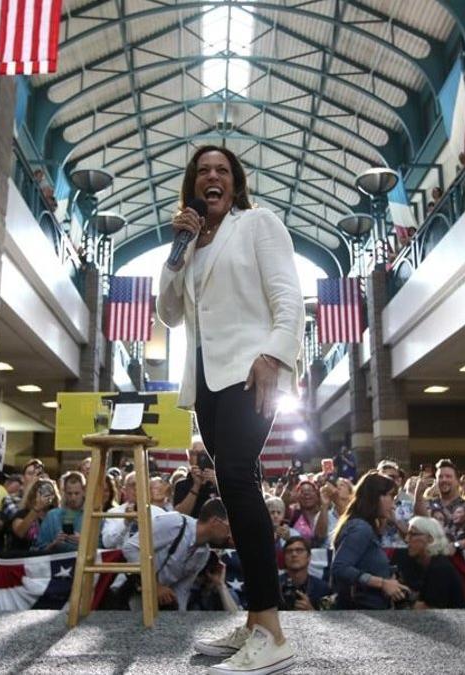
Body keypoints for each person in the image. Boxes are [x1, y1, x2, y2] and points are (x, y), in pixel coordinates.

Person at [158, 145, 303, 673]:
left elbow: (290, 296)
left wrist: (273, 355)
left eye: (221, 170)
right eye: (203, 172)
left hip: (252, 371)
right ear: (193, 187)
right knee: (235, 485)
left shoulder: (258, 224)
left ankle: (271, 629)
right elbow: (169, 313)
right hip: (207, 382)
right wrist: (180, 247)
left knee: (239, 479)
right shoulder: (191, 243)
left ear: (235, 184)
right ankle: (253, 628)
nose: (212, 177)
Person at [122, 499, 232, 614]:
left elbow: (182, 590)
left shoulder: (203, 554)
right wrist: (154, 585)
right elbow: (131, 548)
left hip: (158, 606)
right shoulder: (174, 523)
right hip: (133, 596)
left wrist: (179, 620)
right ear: (215, 521)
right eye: (230, 528)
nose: (230, 535)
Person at [330, 473, 410, 610]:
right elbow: (340, 567)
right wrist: (382, 583)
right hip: (360, 614)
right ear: (376, 496)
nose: (393, 505)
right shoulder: (361, 528)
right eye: (391, 496)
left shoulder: (364, 526)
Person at [396, 516, 465, 609]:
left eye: (412, 534)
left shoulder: (439, 568)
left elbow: (429, 611)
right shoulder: (433, 563)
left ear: (430, 539)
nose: (406, 539)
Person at [102, 472, 165, 549]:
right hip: (121, 559)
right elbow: (107, 543)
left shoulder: (160, 514)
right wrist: (125, 522)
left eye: (142, 484)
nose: (137, 488)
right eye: (133, 485)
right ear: (124, 490)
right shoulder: (114, 513)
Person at [35, 471, 85, 554]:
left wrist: (83, 542)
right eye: (70, 493)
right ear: (64, 492)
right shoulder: (52, 516)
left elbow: (104, 548)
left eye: (77, 493)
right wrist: (54, 544)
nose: (73, 498)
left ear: (84, 491)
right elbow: (38, 549)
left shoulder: (92, 517)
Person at [278, 536, 331, 611]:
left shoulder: (323, 589)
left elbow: (328, 620)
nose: (294, 554)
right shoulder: (273, 587)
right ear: (284, 558)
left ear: (309, 557)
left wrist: (311, 611)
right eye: (289, 551)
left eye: (299, 550)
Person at [173, 441, 220, 518]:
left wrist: (217, 484)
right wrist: (196, 485)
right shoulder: (181, 484)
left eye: (204, 453)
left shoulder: (222, 482)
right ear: (189, 458)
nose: (200, 457)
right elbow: (179, 516)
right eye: (194, 453)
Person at [11, 477, 59, 550]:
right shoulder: (23, 513)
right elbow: (20, 532)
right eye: (42, 492)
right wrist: (37, 508)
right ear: (34, 494)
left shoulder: (55, 515)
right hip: (23, 556)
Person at [285, 479, 329, 547]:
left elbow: (320, 536)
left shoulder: (326, 513)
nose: (306, 494)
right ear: (297, 496)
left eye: (310, 491)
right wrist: (289, 483)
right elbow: (281, 504)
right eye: (302, 492)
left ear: (317, 495)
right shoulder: (293, 514)